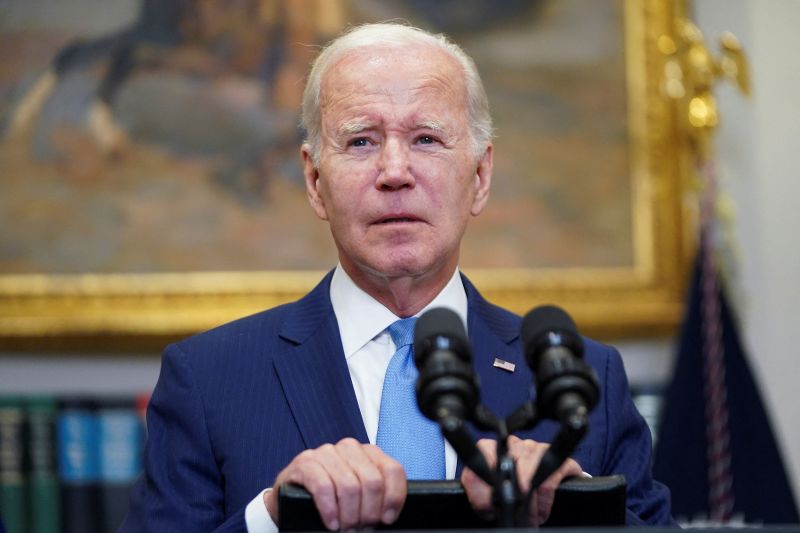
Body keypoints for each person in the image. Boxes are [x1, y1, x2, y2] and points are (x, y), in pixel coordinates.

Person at [121, 22, 674, 532]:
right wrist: (273, 515)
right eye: (361, 141)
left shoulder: (584, 380)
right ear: (314, 181)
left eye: (426, 139)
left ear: (480, 176)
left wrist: (579, 512)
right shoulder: (209, 379)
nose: (394, 172)